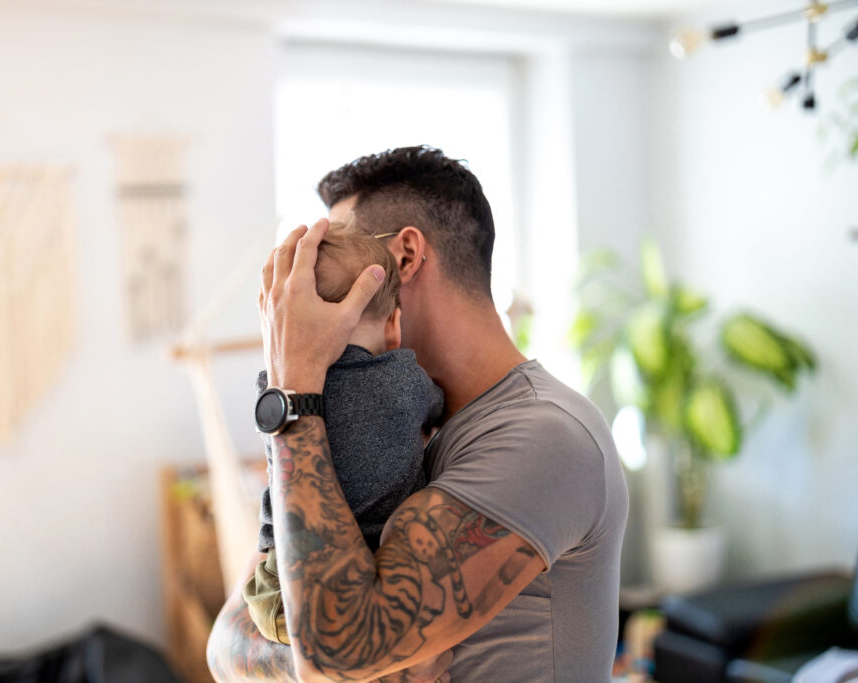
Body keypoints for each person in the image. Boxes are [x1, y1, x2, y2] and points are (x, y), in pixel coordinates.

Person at [207, 146, 629, 683]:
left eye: (337, 250)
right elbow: (223, 644)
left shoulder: (545, 436)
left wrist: (293, 389)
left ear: (404, 257)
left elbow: (336, 652)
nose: (311, 289)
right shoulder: (378, 425)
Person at [244, 222, 444, 645]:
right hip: (375, 565)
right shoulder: (404, 380)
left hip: (273, 587)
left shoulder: (272, 388)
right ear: (394, 325)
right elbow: (438, 406)